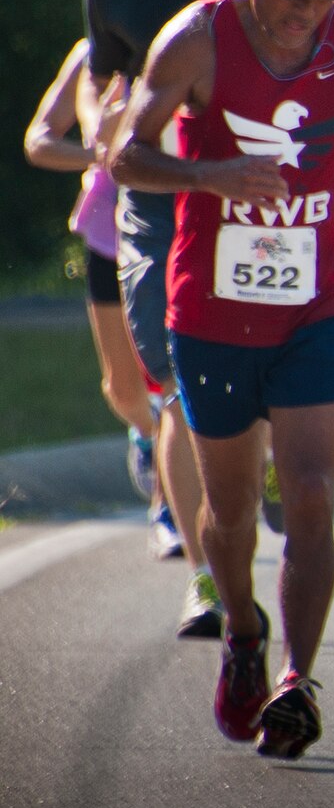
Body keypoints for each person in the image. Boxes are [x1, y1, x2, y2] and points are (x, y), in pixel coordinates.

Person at [110, 0, 334, 759]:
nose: (303, 14)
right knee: (233, 509)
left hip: (319, 303)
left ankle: (298, 681)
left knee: (313, 490)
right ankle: (244, 629)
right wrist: (214, 175)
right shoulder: (196, 39)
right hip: (211, 309)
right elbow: (126, 157)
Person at [83, 0, 265, 629]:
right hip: (158, 191)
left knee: (253, 379)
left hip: (256, 190)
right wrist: (98, 120)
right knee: (174, 386)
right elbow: (99, 77)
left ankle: (260, 480)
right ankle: (203, 575)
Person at [22, 39, 161, 503]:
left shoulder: (186, 44)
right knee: (123, 387)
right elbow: (39, 140)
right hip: (110, 233)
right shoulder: (91, 56)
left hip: (179, 230)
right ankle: (145, 434)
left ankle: (172, 498)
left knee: (181, 372)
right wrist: (98, 155)